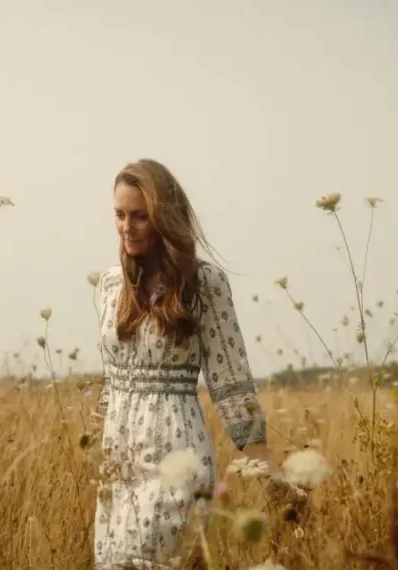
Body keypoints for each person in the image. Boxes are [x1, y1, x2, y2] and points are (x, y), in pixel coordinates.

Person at [90, 158, 282, 568]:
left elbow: (230, 375)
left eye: (141, 216)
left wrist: (261, 457)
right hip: (118, 462)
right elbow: (112, 377)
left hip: (176, 454)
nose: (127, 226)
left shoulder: (205, 284)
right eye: (120, 215)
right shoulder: (108, 285)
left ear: (165, 219)